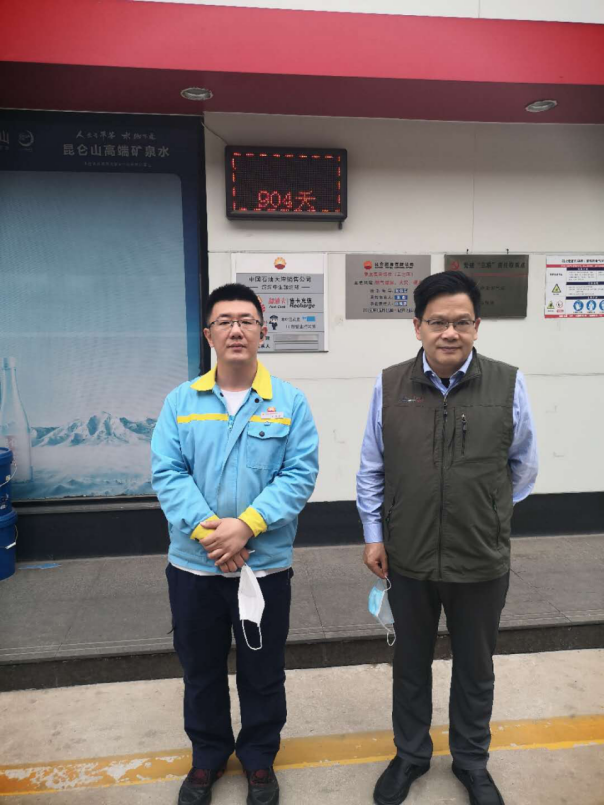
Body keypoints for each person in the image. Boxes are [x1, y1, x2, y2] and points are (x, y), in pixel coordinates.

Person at [357, 271, 538, 805]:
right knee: (410, 666)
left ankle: (471, 761)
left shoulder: (508, 383)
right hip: (407, 556)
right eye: (438, 322)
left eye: (461, 322)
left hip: (480, 558)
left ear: (477, 326)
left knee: (476, 669)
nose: (450, 332)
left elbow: (524, 466)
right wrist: (375, 534)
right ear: (417, 327)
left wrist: (487, 513)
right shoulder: (389, 385)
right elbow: (371, 467)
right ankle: (410, 756)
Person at [151, 283, 319, 805]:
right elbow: (168, 473)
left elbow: (299, 474)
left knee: (262, 672)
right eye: (224, 321)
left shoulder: (288, 402)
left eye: (246, 320)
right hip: (194, 567)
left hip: (262, 567)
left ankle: (259, 758)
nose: (236, 330)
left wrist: (246, 526)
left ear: (263, 331)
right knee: (200, 671)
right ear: (209, 335)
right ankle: (207, 756)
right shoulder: (181, 401)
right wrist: (211, 533)